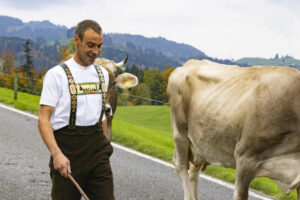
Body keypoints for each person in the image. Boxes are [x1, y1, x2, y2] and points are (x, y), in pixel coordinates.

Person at [38, 19, 114, 200]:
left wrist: (104, 146)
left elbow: (101, 114)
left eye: (99, 46)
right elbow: (43, 119)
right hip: (68, 151)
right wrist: (56, 154)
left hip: (97, 152)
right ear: (76, 40)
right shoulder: (56, 75)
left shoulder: (102, 74)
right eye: (90, 45)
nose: (95, 51)